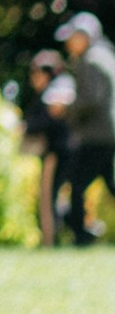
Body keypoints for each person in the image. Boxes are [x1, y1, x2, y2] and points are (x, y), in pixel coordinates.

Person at [56, 14, 115, 245]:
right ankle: (84, 231)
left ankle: (82, 235)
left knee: (76, 184)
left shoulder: (92, 60)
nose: (68, 43)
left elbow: (91, 99)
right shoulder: (105, 55)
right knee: (109, 184)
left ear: (84, 37)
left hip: (97, 135)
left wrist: (66, 107)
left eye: (72, 37)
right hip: (106, 133)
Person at [24, 53, 73, 249]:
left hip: (56, 151)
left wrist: (25, 127)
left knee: (49, 197)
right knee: (61, 195)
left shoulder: (55, 92)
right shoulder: (60, 88)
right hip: (64, 150)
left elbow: (49, 119)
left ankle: (49, 241)